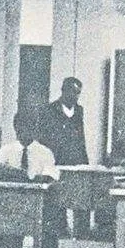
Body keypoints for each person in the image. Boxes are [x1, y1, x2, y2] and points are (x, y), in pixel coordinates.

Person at [0, 112, 59, 248]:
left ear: (35, 129)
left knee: (48, 220)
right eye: (20, 128)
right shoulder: (7, 150)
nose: (24, 132)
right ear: (15, 129)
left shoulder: (44, 152)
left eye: (29, 128)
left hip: (35, 202)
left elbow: (51, 175)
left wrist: (38, 178)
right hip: (11, 202)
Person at [39, 76, 89, 236]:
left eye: (78, 93)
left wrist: (84, 162)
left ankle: (80, 233)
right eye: (72, 92)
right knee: (56, 198)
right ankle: (58, 230)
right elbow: (44, 139)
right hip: (56, 161)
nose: (75, 96)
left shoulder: (79, 111)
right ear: (63, 90)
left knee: (79, 198)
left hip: (75, 161)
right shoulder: (49, 110)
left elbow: (80, 138)